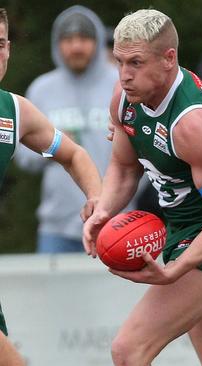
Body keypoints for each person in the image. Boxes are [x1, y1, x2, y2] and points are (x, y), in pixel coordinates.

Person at [81, 9, 202, 365]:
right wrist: (103, 210)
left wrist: (174, 271)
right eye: (119, 61)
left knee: (129, 349)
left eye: (135, 62)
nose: (124, 75)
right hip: (185, 228)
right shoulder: (124, 97)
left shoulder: (192, 122)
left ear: (169, 59)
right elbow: (123, 165)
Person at [0, 8, 101, 366]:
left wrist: (99, 203)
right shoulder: (44, 89)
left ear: (9, 48)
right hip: (54, 227)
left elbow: (74, 155)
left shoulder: (15, 111)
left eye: (0, 43)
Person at [14, 6, 118, 253]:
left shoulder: (120, 83)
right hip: (56, 226)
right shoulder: (42, 89)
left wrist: (127, 199)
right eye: (68, 40)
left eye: (84, 39)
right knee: (51, 293)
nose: (76, 47)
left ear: (97, 42)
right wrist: (55, 147)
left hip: (113, 220)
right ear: (57, 44)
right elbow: (23, 157)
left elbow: (143, 152)